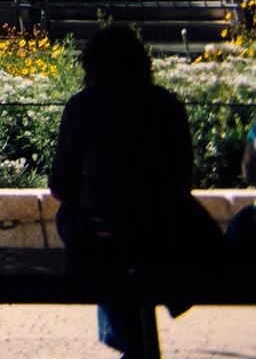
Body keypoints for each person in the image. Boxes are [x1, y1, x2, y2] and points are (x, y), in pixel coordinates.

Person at [52, 23, 255, 357]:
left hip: (106, 238)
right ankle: (139, 336)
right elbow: (179, 179)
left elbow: (61, 184)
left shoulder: (82, 107)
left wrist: (94, 194)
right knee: (129, 236)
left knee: (92, 228)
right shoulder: (166, 104)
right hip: (163, 233)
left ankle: (130, 341)